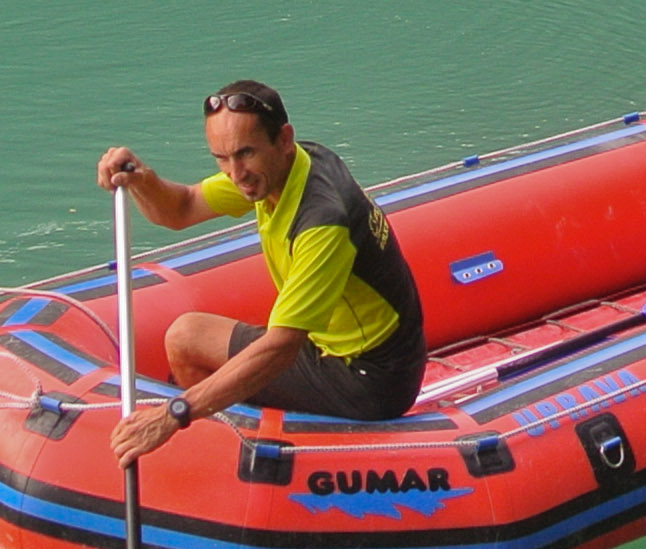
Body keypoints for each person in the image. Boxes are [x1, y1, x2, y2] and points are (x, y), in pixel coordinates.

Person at [99, 78, 425, 456]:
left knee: (191, 345)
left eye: (244, 154)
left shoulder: (322, 222)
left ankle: (238, 462)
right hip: (330, 346)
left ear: (284, 139)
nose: (235, 173)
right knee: (185, 336)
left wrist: (174, 414)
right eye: (221, 158)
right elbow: (181, 208)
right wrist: (142, 180)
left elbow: (282, 346)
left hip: (369, 376)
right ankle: (239, 444)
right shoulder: (284, 166)